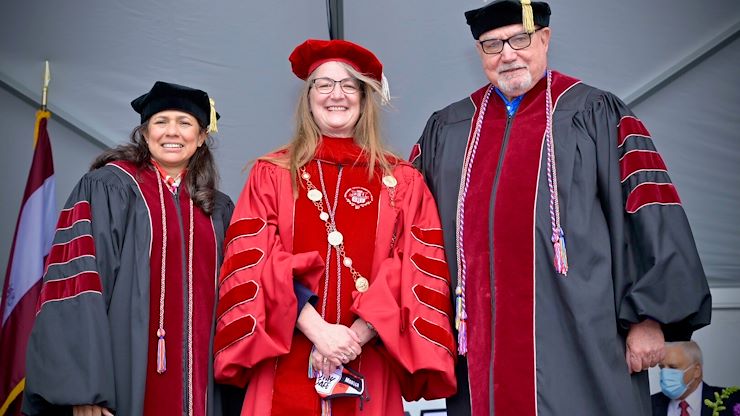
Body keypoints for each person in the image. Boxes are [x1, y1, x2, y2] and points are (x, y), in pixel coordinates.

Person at [411, 1, 712, 415]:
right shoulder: (449, 129)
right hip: (482, 347)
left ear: (545, 39)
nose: (508, 54)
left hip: (583, 338)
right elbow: (412, 229)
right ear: (479, 53)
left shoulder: (594, 114)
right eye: (492, 45)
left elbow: (650, 216)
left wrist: (650, 318)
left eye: (520, 38)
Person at [213, 39, 456, 416]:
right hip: (286, 353)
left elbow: (413, 267)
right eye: (323, 85)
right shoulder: (272, 174)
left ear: (364, 96)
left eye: (348, 85)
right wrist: (318, 330)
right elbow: (252, 261)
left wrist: (354, 336)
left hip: (368, 356)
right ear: (308, 98)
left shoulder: (402, 181)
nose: (335, 95)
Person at [23, 81, 236, 416]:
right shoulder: (109, 188)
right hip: (121, 381)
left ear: (202, 137)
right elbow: (78, 288)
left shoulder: (217, 210)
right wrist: (85, 389)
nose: (172, 132)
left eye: (185, 123)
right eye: (161, 121)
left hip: (202, 387)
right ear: (145, 131)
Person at [652, 341, 739, 416]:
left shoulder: (731, 402)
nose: (665, 373)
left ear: (696, 370)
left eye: (673, 367)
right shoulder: (649, 404)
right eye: (662, 367)